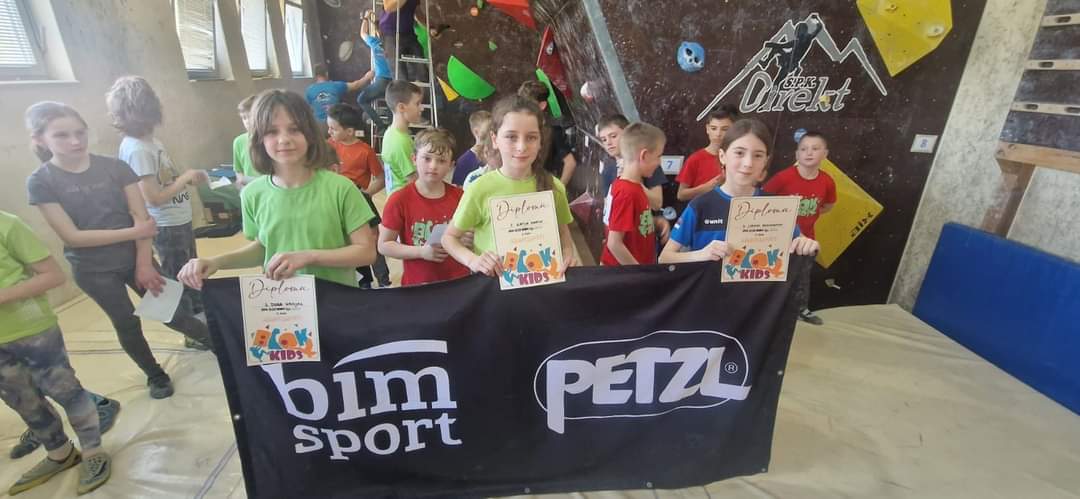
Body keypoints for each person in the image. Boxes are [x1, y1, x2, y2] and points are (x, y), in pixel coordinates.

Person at [25, 101, 212, 400]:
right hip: (93, 270)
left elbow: (142, 218)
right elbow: (73, 237)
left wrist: (144, 263)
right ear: (40, 140)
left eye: (80, 132)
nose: (75, 141)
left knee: (172, 312)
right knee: (126, 322)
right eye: (61, 135)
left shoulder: (115, 167)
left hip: (136, 258)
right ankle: (155, 374)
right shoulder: (41, 181)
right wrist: (135, 232)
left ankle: (217, 344)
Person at [178, 90, 378, 290]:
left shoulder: (341, 188)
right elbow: (265, 248)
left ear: (310, 135)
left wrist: (309, 256)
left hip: (336, 300)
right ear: (259, 139)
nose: (284, 139)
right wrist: (216, 262)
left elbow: (366, 252)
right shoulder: (252, 194)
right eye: (272, 132)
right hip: (281, 302)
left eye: (294, 129)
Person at [0, 211, 111, 495]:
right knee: (22, 399)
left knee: (65, 390)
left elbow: (53, 275)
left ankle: (93, 450)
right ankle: (60, 453)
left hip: (31, 331)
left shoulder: (7, 225)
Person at [107, 76, 210, 348]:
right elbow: (153, 197)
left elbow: (164, 182)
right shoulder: (137, 149)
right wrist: (185, 178)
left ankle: (203, 323)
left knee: (192, 272)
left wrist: (184, 181)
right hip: (166, 225)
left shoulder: (152, 143)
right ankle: (194, 333)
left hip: (179, 220)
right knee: (179, 277)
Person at [441, 95, 577, 276]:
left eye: (531, 137)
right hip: (493, 286)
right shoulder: (479, 188)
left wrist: (567, 254)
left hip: (542, 286)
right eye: (511, 137)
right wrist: (473, 261)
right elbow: (449, 238)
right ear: (495, 139)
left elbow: (564, 234)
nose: (521, 147)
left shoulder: (554, 187)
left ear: (540, 142)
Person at [659, 118, 820, 264]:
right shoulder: (701, 205)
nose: (748, 163)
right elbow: (665, 257)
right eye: (739, 153)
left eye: (758, 155)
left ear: (765, 161)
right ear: (722, 156)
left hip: (761, 288)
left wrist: (807, 244)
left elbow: (803, 241)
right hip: (709, 287)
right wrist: (701, 254)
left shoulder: (776, 207)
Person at [378, 128, 471, 286]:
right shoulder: (399, 200)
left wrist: (469, 239)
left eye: (441, 161)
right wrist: (421, 252)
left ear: (451, 165)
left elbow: (471, 234)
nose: (433, 166)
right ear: (414, 159)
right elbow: (384, 245)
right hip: (418, 285)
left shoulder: (461, 197)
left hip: (458, 282)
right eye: (427, 158)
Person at [763, 131, 836, 325]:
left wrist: (809, 215)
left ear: (825, 154)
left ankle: (801, 309)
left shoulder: (827, 181)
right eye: (803, 149)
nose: (809, 153)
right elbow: (761, 201)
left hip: (806, 241)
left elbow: (828, 206)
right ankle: (768, 311)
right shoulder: (783, 178)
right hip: (777, 240)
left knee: (802, 277)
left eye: (815, 148)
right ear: (797, 154)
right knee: (771, 275)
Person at [326, 103, 392, 288]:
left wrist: (366, 194)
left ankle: (384, 282)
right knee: (351, 242)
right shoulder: (328, 146)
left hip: (359, 198)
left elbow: (380, 178)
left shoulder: (365, 150)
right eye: (328, 127)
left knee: (372, 239)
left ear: (349, 131)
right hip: (335, 200)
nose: (329, 131)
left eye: (333, 128)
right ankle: (363, 283)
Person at [601, 122, 668, 266]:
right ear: (644, 155)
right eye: (658, 156)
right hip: (625, 275)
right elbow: (614, 243)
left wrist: (655, 222)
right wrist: (639, 273)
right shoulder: (627, 193)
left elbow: (631, 222)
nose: (659, 162)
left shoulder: (632, 187)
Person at [517, 80, 577, 186]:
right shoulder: (519, 129)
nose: (524, 109)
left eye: (529, 105)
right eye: (522, 105)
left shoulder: (552, 131)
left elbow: (570, 163)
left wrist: (558, 190)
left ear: (542, 105)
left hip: (542, 188)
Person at [675, 105, 739, 202]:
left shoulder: (741, 159)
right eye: (714, 128)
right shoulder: (695, 159)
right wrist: (708, 187)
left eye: (725, 129)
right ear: (707, 129)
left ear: (734, 130)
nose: (718, 134)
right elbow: (681, 195)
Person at [381, 80, 424, 194]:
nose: (422, 108)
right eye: (417, 104)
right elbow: (414, 180)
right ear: (401, 107)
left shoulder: (390, 133)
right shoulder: (400, 141)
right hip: (404, 200)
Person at [356, 9, 393, 131]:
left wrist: (366, 18)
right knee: (391, 105)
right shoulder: (395, 45)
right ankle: (391, 129)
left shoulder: (376, 43)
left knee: (361, 100)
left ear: (377, 32)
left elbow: (363, 33)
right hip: (394, 82)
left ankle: (381, 126)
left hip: (381, 81)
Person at [305, 64, 370, 130]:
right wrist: (367, 77)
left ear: (315, 75)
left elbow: (308, 110)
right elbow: (356, 85)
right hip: (335, 125)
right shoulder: (336, 86)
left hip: (318, 127)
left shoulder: (309, 90)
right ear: (326, 73)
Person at [380, 0, 427, 81]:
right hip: (391, 33)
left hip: (409, 33)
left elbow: (417, 12)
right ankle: (402, 87)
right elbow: (388, 7)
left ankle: (423, 87)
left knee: (422, 72)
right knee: (400, 76)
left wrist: (430, 27)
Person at [451, 110, 492, 186]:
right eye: (488, 129)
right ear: (476, 132)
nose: (492, 132)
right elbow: (458, 187)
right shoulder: (464, 161)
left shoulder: (497, 154)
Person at [233, 94, 261, 188]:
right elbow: (238, 170)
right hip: (248, 189)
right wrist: (241, 183)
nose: (247, 121)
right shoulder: (239, 141)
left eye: (251, 116)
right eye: (244, 118)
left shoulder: (271, 140)